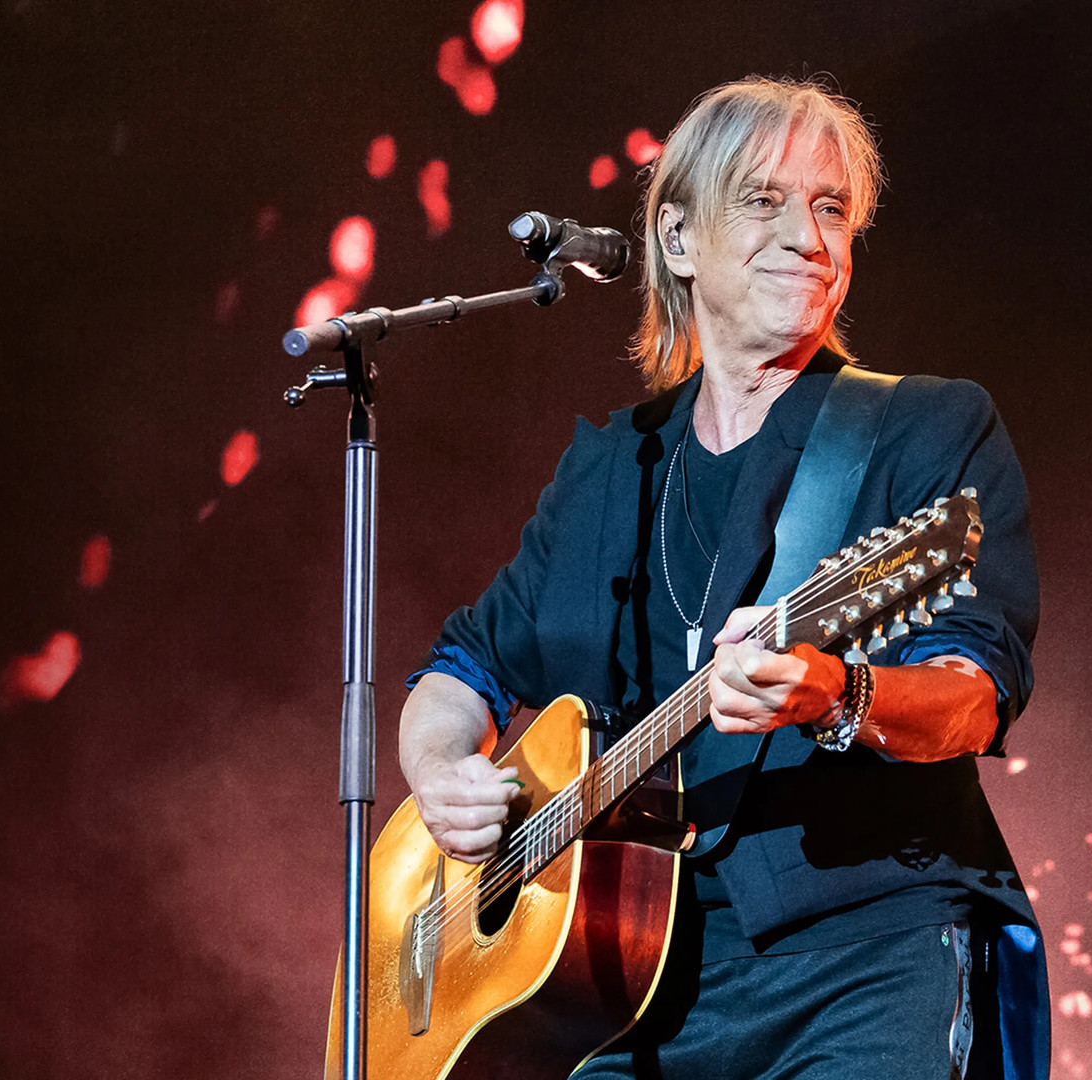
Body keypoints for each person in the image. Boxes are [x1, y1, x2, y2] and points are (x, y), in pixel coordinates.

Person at [400, 77, 1045, 1078]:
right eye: (763, 201)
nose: (808, 236)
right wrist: (443, 771)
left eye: (830, 208)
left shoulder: (923, 429)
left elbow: (973, 695)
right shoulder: (611, 470)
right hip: (622, 991)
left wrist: (841, 692)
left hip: (863, 959)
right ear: (677, 238)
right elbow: (463, 668)